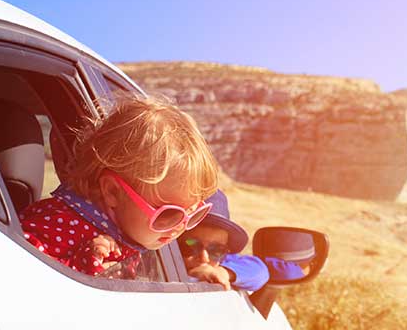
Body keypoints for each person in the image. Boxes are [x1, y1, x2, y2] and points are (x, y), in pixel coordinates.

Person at [18, 95, 219, 277]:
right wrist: (84, 267)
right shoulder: (58, 223)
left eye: (194, 214)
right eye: (167, 214)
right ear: (112, 191)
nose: (180, 228)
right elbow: (18, 271)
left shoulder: (128, 230)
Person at [178, 190, 306, 290]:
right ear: (173, 239)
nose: (204, 258)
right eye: (191, 246)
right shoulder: (160, 261)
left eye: (216, 250)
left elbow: (260, 270)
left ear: (224, 252)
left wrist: (224, 273)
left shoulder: (221, 263)